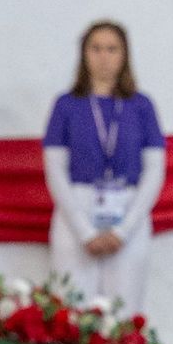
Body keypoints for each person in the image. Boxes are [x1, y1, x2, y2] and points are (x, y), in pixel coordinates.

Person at [42, 20, 165, 315]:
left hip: (128, 212)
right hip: (77, 211)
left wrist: (122, 231)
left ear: (124, 55)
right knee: (71, 311)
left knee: (123, 313)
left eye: (112, 49)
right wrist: (84, 231)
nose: (104, 57)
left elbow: (154, 171)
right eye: (95, 48)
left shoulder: (142, 106)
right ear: (84, 54)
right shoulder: (66, 105)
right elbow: (55, 169)